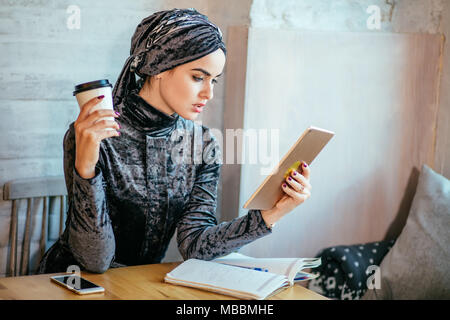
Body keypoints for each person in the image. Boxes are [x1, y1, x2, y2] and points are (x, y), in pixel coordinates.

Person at [37, 8, 312, 274]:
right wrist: (86, 168)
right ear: (158, 66)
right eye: (197, 77)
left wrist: (270, 214)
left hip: (140, 287)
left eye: (214, 81)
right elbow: (95, 260)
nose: (209, 93)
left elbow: (195, 245)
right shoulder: (94, 133)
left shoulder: (202, 144)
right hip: (69, 283)